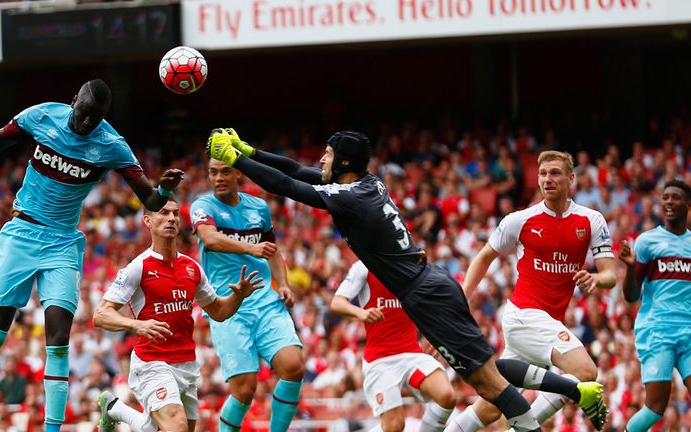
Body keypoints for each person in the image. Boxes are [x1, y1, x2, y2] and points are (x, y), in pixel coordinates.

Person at [205, 128, 608, 432]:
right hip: (429, 286)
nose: (321, 161)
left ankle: (549, 414)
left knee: (488, 384)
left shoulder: (351, 198)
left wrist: (238, 161)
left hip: (425, 294)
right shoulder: (364, 183)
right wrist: (247, 151)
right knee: (487, 374)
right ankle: (576, 390)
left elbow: (288, 185)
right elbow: (296, 170)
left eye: (327, 156)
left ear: (342, 163)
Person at [0, 81, 184, 432]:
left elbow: (149, 200)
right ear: (73, 101)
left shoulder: (111, 145)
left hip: (62, 244)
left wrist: (163, 187)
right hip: (21, 233)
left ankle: (52, 429)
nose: (86, 123)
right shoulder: (42, 116)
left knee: (57, 340)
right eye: (83, 113)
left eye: (95, 119)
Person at [446, 150, 617, 432]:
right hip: (523, 315)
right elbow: (484, 256)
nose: (547, 179)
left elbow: (611, 273)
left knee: (489, 408)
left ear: (571, 178)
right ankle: (522, 429)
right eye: (542, 174)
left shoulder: (591, 221)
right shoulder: (520, 219)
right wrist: (462, 298)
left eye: (555, 173)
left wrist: (598, 279)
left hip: (546, 324)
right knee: (586, 372)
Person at [93, 199, 264, 432]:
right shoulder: (138, 267)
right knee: (177, 427)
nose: (171, 218)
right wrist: (136, 325)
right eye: (163, 213)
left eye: (175, 214)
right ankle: (116, 409)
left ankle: (115, 409)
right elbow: (101, 315)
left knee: (167, 428)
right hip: (152, 361)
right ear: (148, 221)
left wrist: (238, 296)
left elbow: (219, 311)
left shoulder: (192, 267)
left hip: (187, 364)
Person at [189, 158, 305, 432]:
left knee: (293, 366)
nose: (218, 178)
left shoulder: (258, 207)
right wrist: (250, 249)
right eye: (212, 172)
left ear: (238, 173)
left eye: (225, 171)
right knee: (244, 390)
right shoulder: (203, 206)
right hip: (228, 306)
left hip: (265, 300)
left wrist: (283, 284)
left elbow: (272, 250)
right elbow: (210, 239)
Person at [330, 260, 455, 432]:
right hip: (381, 361)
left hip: (412, 353)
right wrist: (361, 313)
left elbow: (428, 306)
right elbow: (336, 303)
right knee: (395, 426)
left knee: (446, 396)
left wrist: (436, 336)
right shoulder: (364, 267)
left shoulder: (411, 262)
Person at [618, 180, 691, 432]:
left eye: (675, 197)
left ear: (688, 205)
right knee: (655, 409)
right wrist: (629, 268)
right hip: (657, 330)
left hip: (689, 332)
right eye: (665, 197)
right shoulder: (646, 242)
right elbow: (630, 295)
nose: (669, 202)